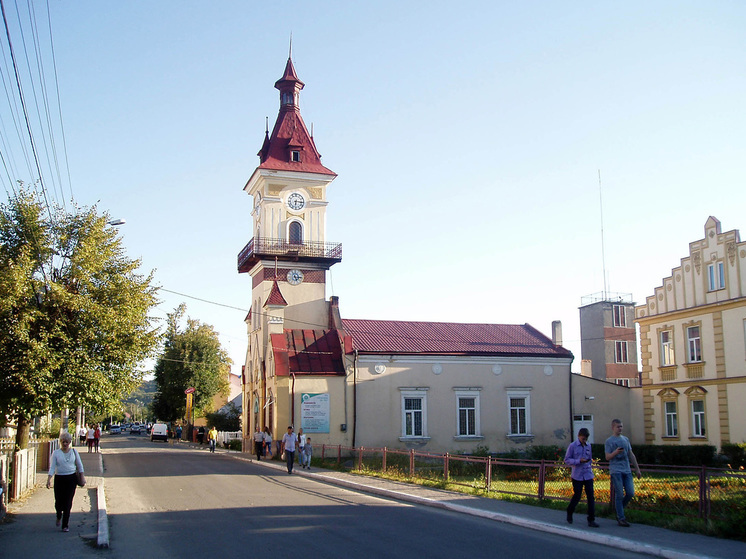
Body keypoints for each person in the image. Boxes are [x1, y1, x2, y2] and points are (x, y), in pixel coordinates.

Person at [605, 419, 642, 527]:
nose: (620, 429)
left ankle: (618, 509)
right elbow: (607, 457)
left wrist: (637, 469)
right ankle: (621, 517)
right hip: (616, 471)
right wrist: (615, 452)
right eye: (618, 427)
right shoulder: (609, 441)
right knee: (619, 494)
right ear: (613, 427)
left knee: (630, 493)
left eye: (621, 426)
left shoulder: (625, 440)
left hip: (627, 470)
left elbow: (631, 454)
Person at [46, 432, 84, 532]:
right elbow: (52, 467)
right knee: (58, 502)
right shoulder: (56, 453)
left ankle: (65, 525)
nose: (65, 444)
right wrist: (49, 479)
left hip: (71, 479)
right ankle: (59, 515)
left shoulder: (74, 452)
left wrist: (82, 477)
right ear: (60, 442)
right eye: (63, 442)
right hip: (59, 479)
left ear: (70, 442)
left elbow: (79, 466)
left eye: (67, 442)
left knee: (68, 502)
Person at [564, 428, 598, 527]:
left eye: (586, 439)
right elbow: (567, 459)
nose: (584, 441)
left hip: (587, 474)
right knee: (577, 495)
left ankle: (591, 519)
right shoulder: (572, 446)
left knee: (591, 497)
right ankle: (570, 511)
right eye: (583, 439)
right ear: (579, 436)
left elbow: (590, 458)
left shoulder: (588, 446)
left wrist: (588, 464)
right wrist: (578, 461)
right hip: (577, 475)